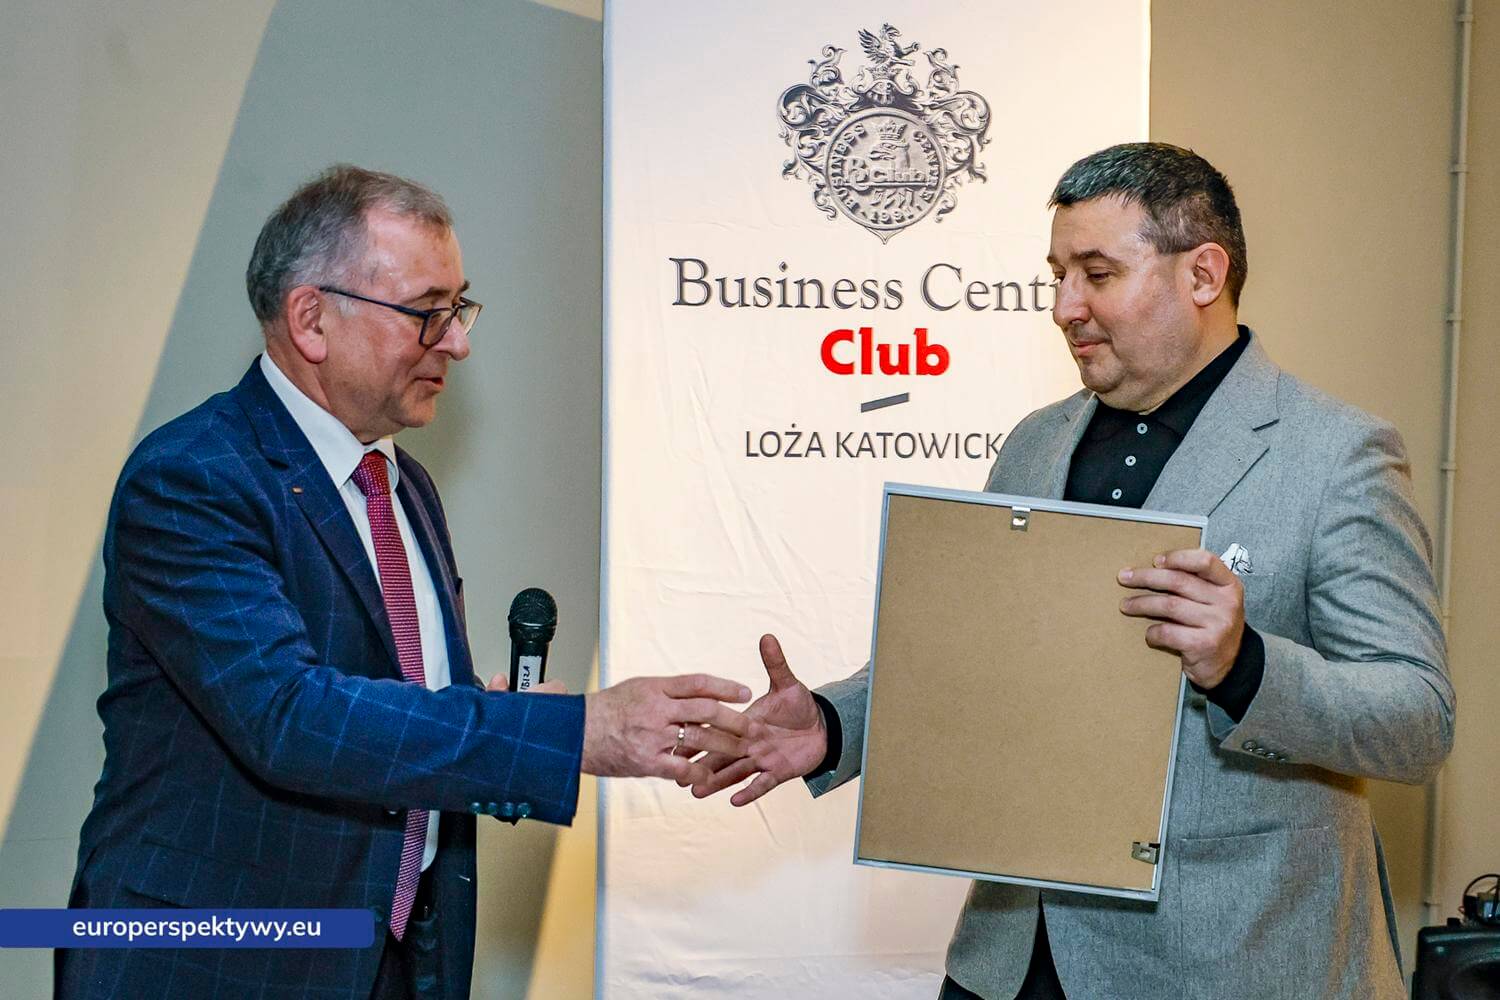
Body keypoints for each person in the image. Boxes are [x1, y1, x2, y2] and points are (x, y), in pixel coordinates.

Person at [695, 143, 1455, 1000]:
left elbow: (1417, 720)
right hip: (1009, 958)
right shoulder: (1035, 443)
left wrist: (1246, 664)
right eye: (1058, 275)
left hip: (1226, 963)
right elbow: (970, 659)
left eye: (1097, 274)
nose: (1064, 307)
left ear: (1203, 274)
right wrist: (835, 726)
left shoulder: (1336, 455)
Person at [57, 165, 751, 1000]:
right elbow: (291, 717)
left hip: (392, 959)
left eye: (459, 309)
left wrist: (489, 709)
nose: (457, 343)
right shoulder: (194, 477)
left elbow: (384, 697)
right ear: (311, 319)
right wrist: (569, 734)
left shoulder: (402, 483)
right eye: (428, 312)